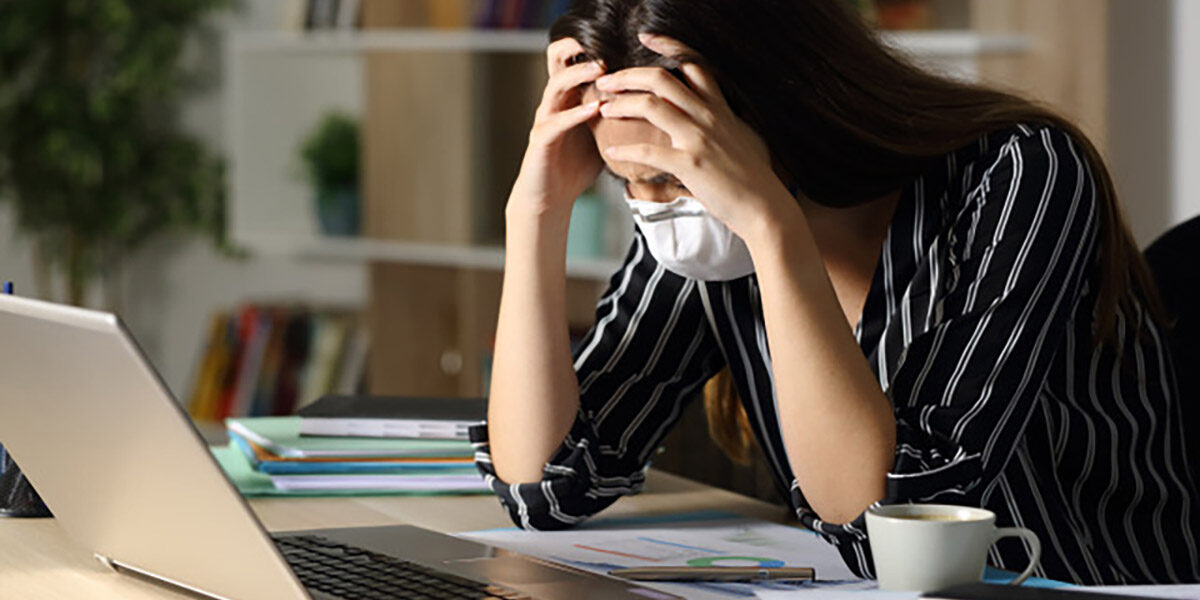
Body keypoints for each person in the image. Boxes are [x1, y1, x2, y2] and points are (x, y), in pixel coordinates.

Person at [469, 0, 1200, 585]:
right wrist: (535, 214)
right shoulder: (699, 236)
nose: (659, 208)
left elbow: (894, 521)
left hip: (1090, 582)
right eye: (634, 182)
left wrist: (768, 222)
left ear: (783, 109)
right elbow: (547, 487)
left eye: (676, 176)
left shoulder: (1021, 174)